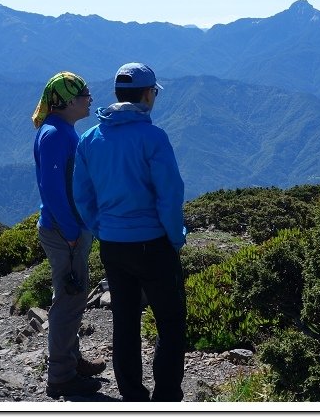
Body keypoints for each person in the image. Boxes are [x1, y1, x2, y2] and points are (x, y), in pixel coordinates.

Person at [73, 62, 187, 402]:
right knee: (170, 322)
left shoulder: (90, 139)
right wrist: (175, 236)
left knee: (124, 321)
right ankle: (166, 397)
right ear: (148, 94)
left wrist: (102, 227)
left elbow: (82, 195)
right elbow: (169, 194)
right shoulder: (153, 137)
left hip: (112, 244)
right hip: (153, 243)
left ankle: (133, 399)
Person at [32, 71, 106, 399]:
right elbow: (52, 190)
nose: (90, 98)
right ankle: (61, 375)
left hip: (69, 228)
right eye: (84, 94)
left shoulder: (60, 130)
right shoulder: (56, 135)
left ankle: (72, 361)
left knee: (71, 296)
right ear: (67, 101)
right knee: (68, 300)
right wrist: (72, 231)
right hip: (66, 230)